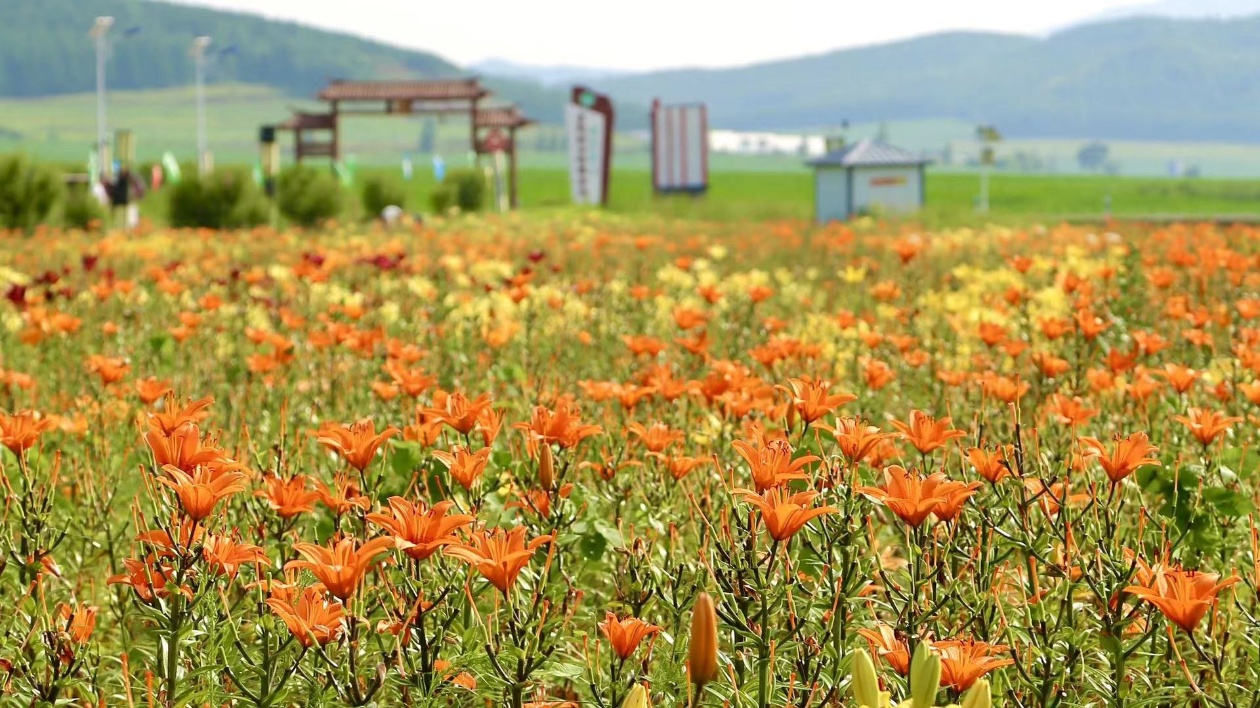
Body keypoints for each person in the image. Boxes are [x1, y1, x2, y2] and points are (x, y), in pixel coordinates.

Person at [103, 166, 145, 231]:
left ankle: (130, 227)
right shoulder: (131, 179)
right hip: (126, 200)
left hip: (125, 200)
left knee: (130, 216)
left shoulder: (127, 180)